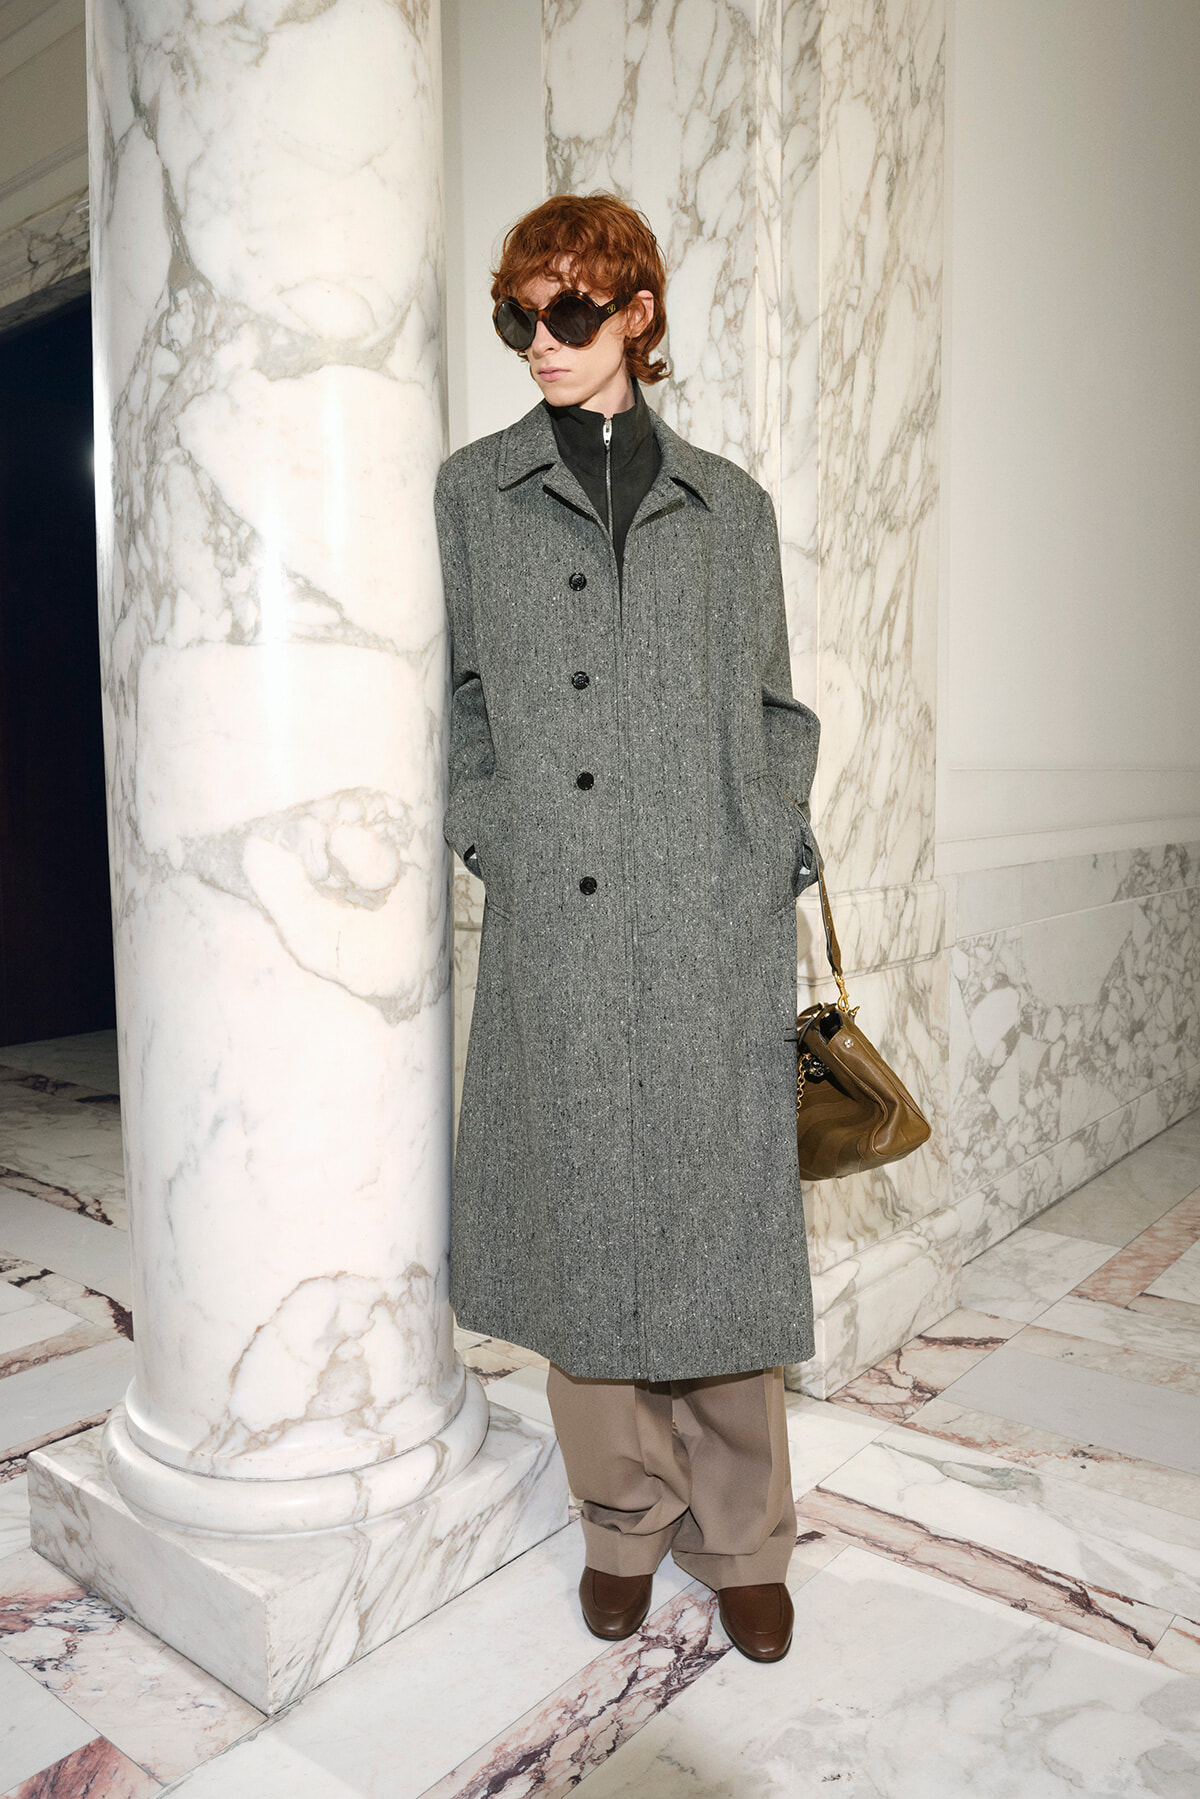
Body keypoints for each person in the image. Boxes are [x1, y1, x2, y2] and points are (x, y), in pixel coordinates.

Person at [435, 192, 820, 1664]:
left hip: (711, 911)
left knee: (723, 1235)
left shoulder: (734, 510)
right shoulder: (475, 494)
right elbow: (465, 700)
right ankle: (621, 1519)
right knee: (587, 1229)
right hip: (563, 923)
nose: (540, 341)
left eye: (570, 314)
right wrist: (496, 831)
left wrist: (761, 838)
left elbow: (776, 706)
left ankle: (742, 1536)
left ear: (638, 315)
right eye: (518, 317)